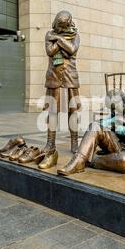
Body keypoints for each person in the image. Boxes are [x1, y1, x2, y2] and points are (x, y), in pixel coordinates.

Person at [57, 89, 125, 176]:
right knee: (95, 126)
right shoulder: (116, 112)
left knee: (124, 161)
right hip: (118, 146)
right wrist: (114, 120)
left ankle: (89, 160)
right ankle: (78, 160)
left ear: (124, 101)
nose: (113, 111)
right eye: (111, 108)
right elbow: (100, 124)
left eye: (115, 107)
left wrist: (116, 127)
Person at [39, 10, 81, 169]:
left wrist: (57, 38)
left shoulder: (75, 35)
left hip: (70, 77)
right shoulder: (48, 34)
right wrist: (60, 40)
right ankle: (50, 143)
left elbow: (72, 50)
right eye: (59, 27)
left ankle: (75, 143)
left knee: (73, 111)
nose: (61, 29)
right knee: (52, 112)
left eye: (64, 27)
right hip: (54, 77)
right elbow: (50, 52)